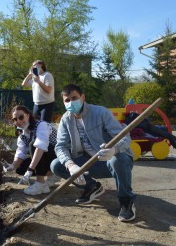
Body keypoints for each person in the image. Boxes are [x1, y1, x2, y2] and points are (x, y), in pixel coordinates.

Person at [50, 84, 136, 222]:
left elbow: (124, 137)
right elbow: (60, 146)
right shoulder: (65, 120)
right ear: (63, 102)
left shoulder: (101, 113)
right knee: (56, 165)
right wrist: (71, 165)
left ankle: (126, 201)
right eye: (67, 100)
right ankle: (91, 187)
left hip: (111, 160)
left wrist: (114, 150)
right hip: (90, 162)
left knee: (118, 160)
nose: (71, 102)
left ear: (83, 97)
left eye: (74, 98)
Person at [2, 105, 59, 195]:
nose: (19, 121)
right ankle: (48, 179)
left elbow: (40, 146)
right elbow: (21, 152)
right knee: (20, 168)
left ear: (28, 115)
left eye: (21, 117)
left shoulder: (41, 125)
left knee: (33, 144)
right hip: (44, 156)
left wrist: (30, 170)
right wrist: (12, 166)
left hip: (57, 156)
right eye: (15, 119)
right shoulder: (22, 135)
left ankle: (40, 183)